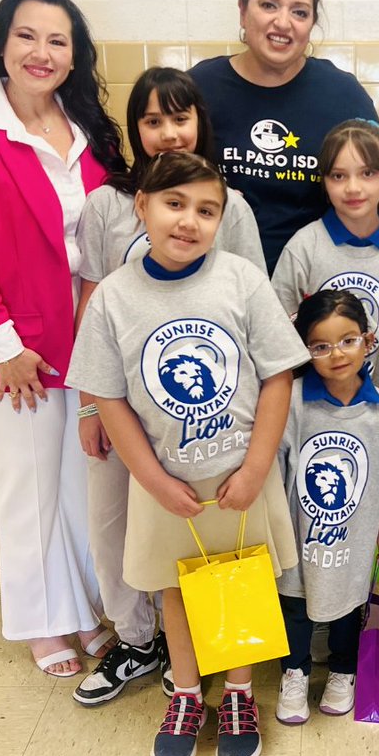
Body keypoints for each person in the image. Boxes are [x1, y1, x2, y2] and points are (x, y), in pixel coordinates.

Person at [66, 152, 307, 756]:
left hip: (240, 476)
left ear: (222, 220)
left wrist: (256, 468)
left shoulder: (241, 280)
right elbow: (107, 395)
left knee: (242, 582)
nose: (189, 222)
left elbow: (278, 376)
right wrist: (151, 479)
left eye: (207, 210)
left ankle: (238, 695)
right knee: (177, 588)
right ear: (141, 207)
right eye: (174, 204)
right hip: (164, 480)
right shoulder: (115, 297)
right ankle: (185, 692)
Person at [0, 0, 124, 678]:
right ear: (1, 43)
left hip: (83, 342)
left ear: (74, 56)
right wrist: (6, 347)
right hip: (12, 351)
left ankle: (80, 610)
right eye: (26, 36)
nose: (41, 52)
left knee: (79, 485)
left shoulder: (87, 133)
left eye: (57, 40)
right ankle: (41, 623)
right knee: (28, 489)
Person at [71, 67, 266, 708]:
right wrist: (89, 403)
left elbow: (249, 308)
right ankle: (137, 638)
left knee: (205, 531)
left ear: (200, 125)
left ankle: (213, 654)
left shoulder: (228, 206)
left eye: (178, 118)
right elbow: (94, 298)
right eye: (151, 121)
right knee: (116, 524)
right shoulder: (107, 204)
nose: (166, 132)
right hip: (122, 403)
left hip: (209, 421)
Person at [190, 0, 379, 272]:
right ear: (243, 10)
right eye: (268, 5)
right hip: (217, 274)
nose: (282, 22)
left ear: (312, 24)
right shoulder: (199, 88)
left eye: (299, 12)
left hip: (316, 281)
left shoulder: (342, 93)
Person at [274, 290, 379, 725]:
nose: (336, 354)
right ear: (306, 351)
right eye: (321, 346)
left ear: (369, 340)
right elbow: (275, 464)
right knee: (294, 601)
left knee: (349, 601)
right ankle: (294, 672)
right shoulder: (294, 400)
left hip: (357, 531)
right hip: (297, 529)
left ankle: (342, 670)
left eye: (348, 340)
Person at [271, 119, 379, 401]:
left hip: (375, 410)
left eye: (367, 173)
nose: (353, 188)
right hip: (308, 411)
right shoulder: (303, 248)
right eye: (338, 176)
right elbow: (279, 338)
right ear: (324, 180)